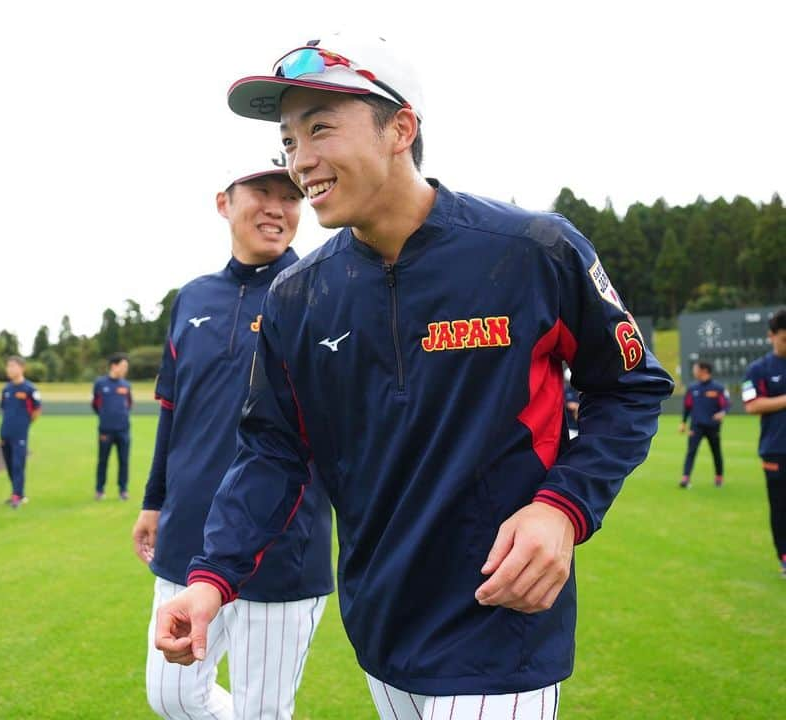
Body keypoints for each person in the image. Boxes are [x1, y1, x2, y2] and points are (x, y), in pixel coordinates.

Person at [154, 33, 674, 719]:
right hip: (379, 623)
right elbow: (273, 453)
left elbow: (630, 386)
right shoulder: (297, 297)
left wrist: (561, 507)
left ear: (401, 127)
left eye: (320, 130)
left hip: (501, 620)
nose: (300, 162)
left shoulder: (532, 251)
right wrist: (211, 580)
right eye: (288, 140)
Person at [132, 131, 333, 720]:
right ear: (225, 202)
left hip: (282, 542)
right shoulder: (192, 297)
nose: (276, 206)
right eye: (260, 191)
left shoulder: (321, 290)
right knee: (171, 695)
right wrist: (153, 502)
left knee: (263, 713)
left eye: (289, 194)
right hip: (186, 536)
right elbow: (173, 411)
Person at [742, 308, 786, 578]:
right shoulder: (757, 369)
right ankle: (783, 556)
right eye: (784, 339)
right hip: (776, 449)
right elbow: (751, 404)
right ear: (771, 336)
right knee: (780, 507)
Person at [679, 360, 729, 488]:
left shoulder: (718, 388)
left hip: (713, 426)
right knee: (691, 452)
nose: (694, 371)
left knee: (716, 452)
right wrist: (683, 423)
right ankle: (685, 478)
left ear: (704, 370)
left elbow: (726, 404)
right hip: (696, 426)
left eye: (696, 369)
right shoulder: (692, 388)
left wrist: (722, 412)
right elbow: (687, 406)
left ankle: (719, 477)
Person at [0, 355, 42, 508]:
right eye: (8, 366)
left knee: (18, 464)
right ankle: (18, 493)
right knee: (10, 464)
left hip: (20, 433)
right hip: (5, 432)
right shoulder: (6, 389)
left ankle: (17, 495)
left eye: (13, 366)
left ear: (21, 368)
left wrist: (25, 423)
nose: (10, 369)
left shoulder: (30, 389)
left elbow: (37, 410)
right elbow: (3, 409)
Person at [92, 353, 132, 500]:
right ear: (114, 366)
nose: (125, 369)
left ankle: (123, 490)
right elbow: (95, 404)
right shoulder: (100, 383)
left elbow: (129, 405)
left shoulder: (126, 385)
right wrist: (105, 418)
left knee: (124, 461)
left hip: (123, 430)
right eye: (123, 366)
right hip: (106, 430)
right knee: (103, 461)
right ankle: (99, 490)